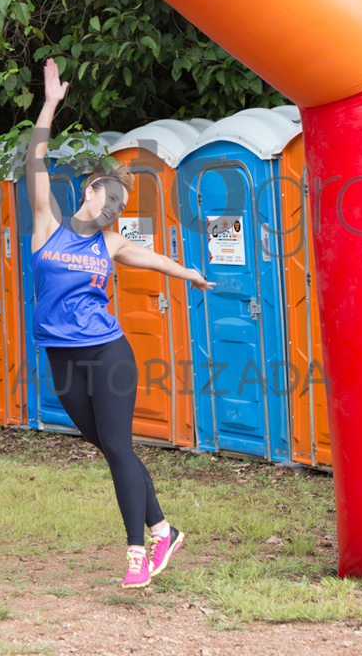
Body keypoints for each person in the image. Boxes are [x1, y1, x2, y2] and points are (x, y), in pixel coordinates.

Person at [25, 58, 215, 588]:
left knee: (118, 445)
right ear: (89, 191)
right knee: (111, 447)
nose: (113, 211)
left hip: (109, 354)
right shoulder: (47, 225)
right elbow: (34, 160)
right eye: (109, 199)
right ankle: (164, 529)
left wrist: (189, 273)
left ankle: (138, 551)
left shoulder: (110, 243)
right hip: (61, 358)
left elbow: (153, 260)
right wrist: (50, 104)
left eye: (120, 208)